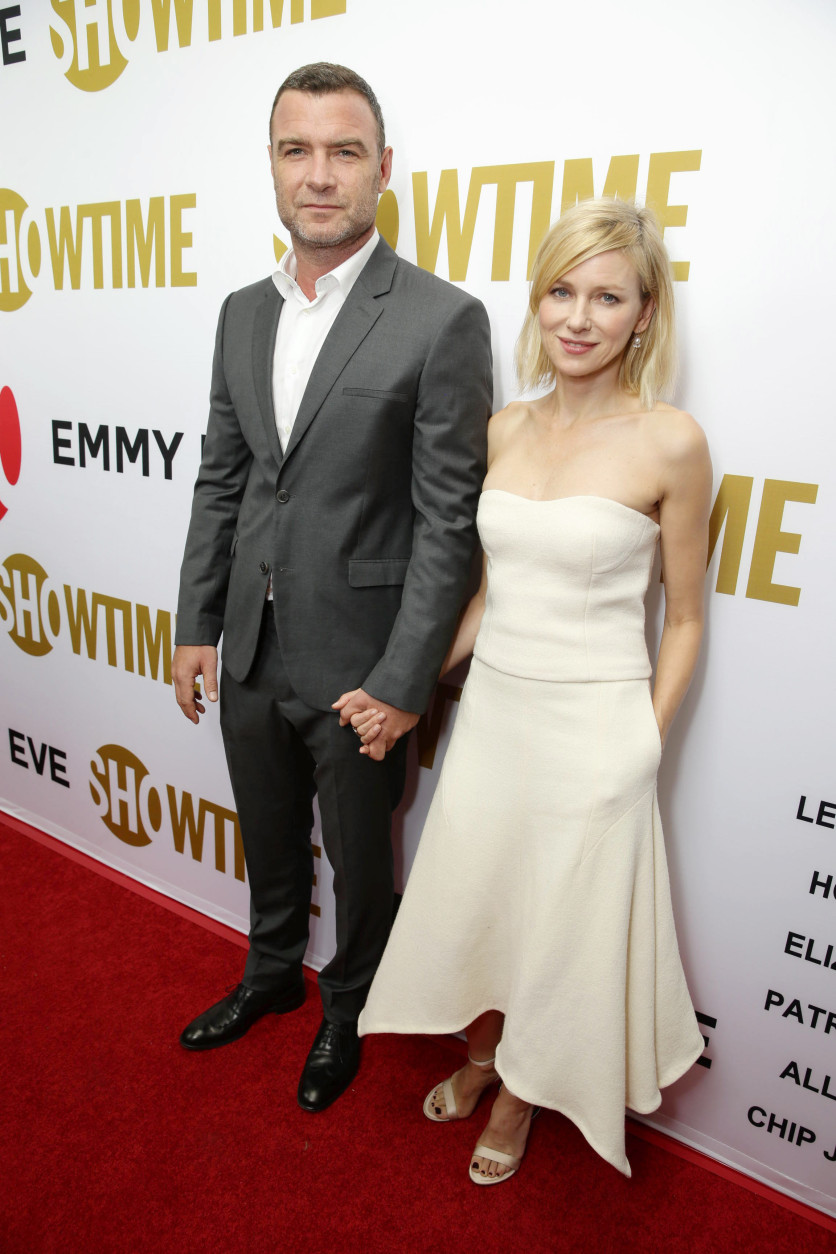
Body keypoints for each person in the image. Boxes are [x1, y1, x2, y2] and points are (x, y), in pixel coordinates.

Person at [355, 198, 711, 1181]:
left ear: (643, 315)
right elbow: (483, 596)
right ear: (537, 299)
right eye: (561, 290)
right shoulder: (504, 428)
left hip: (595, 728)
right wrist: (407, 687)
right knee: (483, 901)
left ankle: (518, 1096)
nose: (578, 318)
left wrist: (644, 740)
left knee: (562, 928)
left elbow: (683, 619)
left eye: (607, 297)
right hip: (497, 715)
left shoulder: (670, 441)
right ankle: (480, 1055)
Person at [171, 63, 492, 1113]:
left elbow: (449, 521)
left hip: (363, 667)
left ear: (381, 170)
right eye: (295, 150)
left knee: (363, 861)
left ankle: (348, 1003)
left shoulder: (440, 319)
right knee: (265, 833)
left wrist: (404, 680)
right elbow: (224, 477)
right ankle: (268, 974)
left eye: (343, 152)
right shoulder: (237, 314)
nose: (319, 176)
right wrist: (195, 623)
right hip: (251, 651)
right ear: (270, 164)